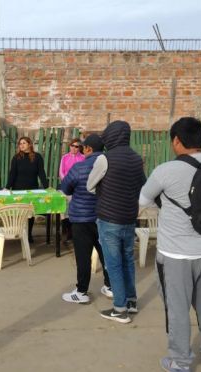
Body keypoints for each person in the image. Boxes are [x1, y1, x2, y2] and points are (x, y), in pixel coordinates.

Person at [139, 117, 201, 372]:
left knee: (178, 309)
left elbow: (143, 200)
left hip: (175, 253)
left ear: (176, 141)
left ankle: (180, 361)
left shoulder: (165, 170)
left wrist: (165, 208)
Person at [87, 120, 145, 324]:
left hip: (109, 218)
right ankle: (131, 301)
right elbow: (142, 187)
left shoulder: (105, 158)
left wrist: (106, 190)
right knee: (128, 260)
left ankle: (120, 309)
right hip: (129, 217)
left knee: (113, 264)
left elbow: (90, 185)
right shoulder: (137, 159)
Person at [61, 134, 112, 303]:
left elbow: (66, 189)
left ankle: (81, 292)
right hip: (103, 217)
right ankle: (111, 286)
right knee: (106, 253)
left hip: (81, 219)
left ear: (88, 149)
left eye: (83, 147)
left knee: (83, 256)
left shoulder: (78, 168)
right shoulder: (109, 168)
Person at [6, 136, 48, 243]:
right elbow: (12, 174)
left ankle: (28, 234)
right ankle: (20, 232)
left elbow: (41, 173)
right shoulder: (16, 158)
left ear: (29, 144)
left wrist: (47, 187)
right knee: (20, 213)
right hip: (18, 190)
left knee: (30, 213)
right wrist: (7, 187)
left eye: (24, 143)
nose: (22, 145)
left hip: (32, 190)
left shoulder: (37, 157)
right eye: (20, 144)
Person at [59, 138, 85, 241]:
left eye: (76, 146)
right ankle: (68, 231)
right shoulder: (64, 157)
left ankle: (76, 232)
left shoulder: (83, 158)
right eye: (72, 145)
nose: (74, 148)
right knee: (66, 210)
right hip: (67, 187)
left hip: (79, 188)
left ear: (79, 148)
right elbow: (61, 172)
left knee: (77, 210)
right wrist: (67, 182)